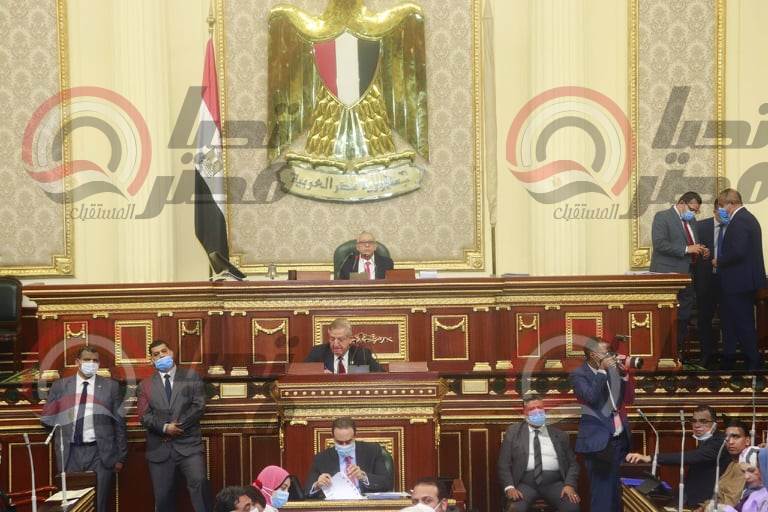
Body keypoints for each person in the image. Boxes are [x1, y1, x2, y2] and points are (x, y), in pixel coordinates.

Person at [40, 346, 127, 512]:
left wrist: (121, 457)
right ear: (77, 362)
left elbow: (119, 424)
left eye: (95, 360)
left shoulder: (111, 387)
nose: (91, 363)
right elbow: (47, 418)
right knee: (72, 503)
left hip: (100, 453)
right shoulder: (60, 386)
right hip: (70, 453)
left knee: (99, 503)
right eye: (87, 360)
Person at [137, 340, 209, 512]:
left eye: (164, 351)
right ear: (152, 360)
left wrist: (177, 425)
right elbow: (144, 416)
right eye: (156, 354)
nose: (161, 355)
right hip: (160, 449)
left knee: (199, 484)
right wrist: (165, 428)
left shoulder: (191, 377)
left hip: (189, 445)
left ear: (171, 353)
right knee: (163, 497)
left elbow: (199, 406)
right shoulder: (145, 385)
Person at [570, 337, 634, 512]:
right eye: (606, 353)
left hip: (620, 438)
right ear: (593, 355)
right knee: (602, 495)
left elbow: (628, 399)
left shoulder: (612, 370)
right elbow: (590, 397)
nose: (610, 356)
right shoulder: (579, 374)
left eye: (611, 352)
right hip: (599, 442)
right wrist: (601, 371)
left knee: (618, 494)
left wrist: (625, 375)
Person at [626, 405, 729, 508]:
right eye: (694, 421)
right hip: (691, 497)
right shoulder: (705, 441)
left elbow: (693, 457)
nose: (697, 425)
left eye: (703, 421)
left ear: (715, 424)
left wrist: (651, 458)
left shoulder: (720, 442)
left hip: (707, 501)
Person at [711, 188, 766, 370]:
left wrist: (719, 261)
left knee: (743, 322)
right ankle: (734, 358)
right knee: (735, 321)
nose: (720, 209)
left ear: (732, 203)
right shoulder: (745, 218)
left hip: (739, 282)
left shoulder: (740, 220)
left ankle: (754, 361)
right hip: (740, 281)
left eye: (722, 205)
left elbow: (738, 251)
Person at [496, 394, 580, 511]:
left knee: (572, 507)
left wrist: (569, 485)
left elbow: (573, 464)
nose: (537, 411)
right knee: (515, 509)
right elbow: (503, 464)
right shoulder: (514, 433)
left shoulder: (559, 434)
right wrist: (509, 487)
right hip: (525, 484)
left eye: (540, 408)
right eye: (532, 409)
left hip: (555, 483)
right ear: (525, 412)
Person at [650, 191, 707, 357]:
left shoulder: (691, 221)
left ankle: (677, 351)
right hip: (667, 274)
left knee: (684, 315)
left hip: (688, 274)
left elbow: (692, 244)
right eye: (692, 209)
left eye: (696, 211)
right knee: (666, 315)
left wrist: (701, 249)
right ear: (682, 203)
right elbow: (659, 244)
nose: (694, 213)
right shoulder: (663, 217)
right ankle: (663, 353)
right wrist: (686, 249)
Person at [306, 416, 393, 497]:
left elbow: (387, 483)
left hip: (366, 504)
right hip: (336, 504)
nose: (344, 445)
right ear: (333, 437)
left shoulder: (372, 451)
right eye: (339, 442)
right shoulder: (322, 458)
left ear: (355, 435)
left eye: (348, 442)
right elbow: (307, 491)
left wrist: (364, 477)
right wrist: (318, 485)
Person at [695, 419, 754, 511]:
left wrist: (706, 507)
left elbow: (730, 504)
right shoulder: (732, 463)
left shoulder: (746, 466)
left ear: (747, 441)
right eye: (727, 437)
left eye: (735, 437)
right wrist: (703, 506)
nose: (730, 442)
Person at [694, 199, 726, 368]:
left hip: (727, 280)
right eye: (721, 210)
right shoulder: (700, 227)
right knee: (704, 318)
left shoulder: (733, 226)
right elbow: (692, 250)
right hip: (706, 280)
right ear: (714, 211)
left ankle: (728, 355)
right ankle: (706, 354)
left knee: (728, 318)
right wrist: (701, 252)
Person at [304, 318, 383, 373]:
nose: (335, 344)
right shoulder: (318, 352)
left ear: (350, 339)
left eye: (340, 339)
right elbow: (302, 372)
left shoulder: (362, 354)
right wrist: (319, 372)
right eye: (332, 339)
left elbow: (381, 375)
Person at [723, 448, 768, 512]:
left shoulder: (765, 496)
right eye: (743, 471)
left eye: (751, 471)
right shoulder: (749, 491)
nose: (746, 477)